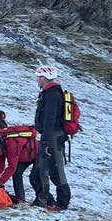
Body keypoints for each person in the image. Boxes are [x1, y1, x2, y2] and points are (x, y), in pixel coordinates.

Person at [31, 65, 70, 210]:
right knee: (47, 169)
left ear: (43, 78)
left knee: (52, 169)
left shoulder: (52, 95)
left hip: (52, 136)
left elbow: (49, 118)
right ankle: (48, 200)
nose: (36, 80)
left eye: (37, 77)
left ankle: (60, 202)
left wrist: (46, 142)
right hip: (52, 135)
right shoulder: (52, 93)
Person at [0, 127, 38, 203]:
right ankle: (20, 198)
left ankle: (46, 200)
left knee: (35, 178)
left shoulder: (12, 144)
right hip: (24, 157)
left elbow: (11, 167)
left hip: (37, 154)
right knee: (16, 173)